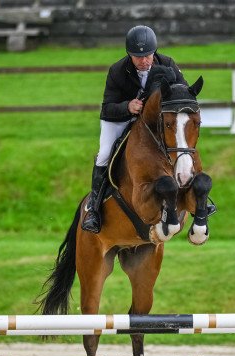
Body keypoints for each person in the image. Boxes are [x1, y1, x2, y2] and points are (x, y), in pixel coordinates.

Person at [81, 25, 187, 233]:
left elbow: (183, 91)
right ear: (129, 54)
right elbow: (108, 107)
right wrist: (127, 107)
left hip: (153, 122)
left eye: (148, 55)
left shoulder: (168, 64)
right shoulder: (117, 71)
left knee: (182, 147)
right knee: (103, 154)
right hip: (120, 119)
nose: (144, 61)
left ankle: (197, 198)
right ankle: (94, 208)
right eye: (138, 57)